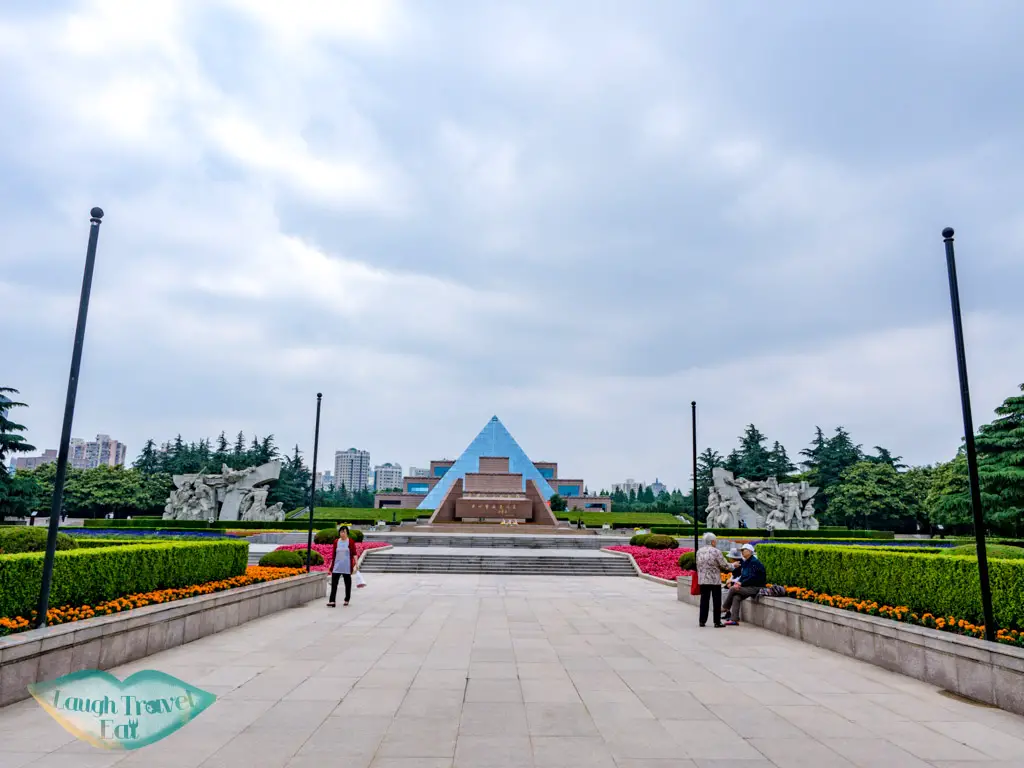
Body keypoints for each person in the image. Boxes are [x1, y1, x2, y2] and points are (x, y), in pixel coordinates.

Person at [722, 543, 767, 626]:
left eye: (743, 550)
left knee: (733, 589)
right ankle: (734, 620)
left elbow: (753, 577)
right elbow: (743, 576)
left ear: (750, 551)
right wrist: (738, 582)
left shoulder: (755, 562)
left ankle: (725, 607)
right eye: (741, 550)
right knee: (736, 597)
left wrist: (741, 583)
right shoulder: (746, 562)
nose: (742, 552)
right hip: (748, 586)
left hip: (756, 587)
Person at [695, 532, 731, 628]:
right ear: (712, 542)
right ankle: (717, 622)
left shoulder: (699, 551)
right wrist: (733, 566)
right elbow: (724, 565)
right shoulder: (716, 551)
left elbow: (698, 564)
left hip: (703, 579)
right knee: (716, 601)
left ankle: (702, 621)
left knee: (704, 600)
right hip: (714, 580)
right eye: (715, 541)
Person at [327, 525, 358, 608]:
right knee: (334, 584)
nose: (342, 533)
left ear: (347, 533)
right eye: (341, 532)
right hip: (337, 565)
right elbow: (334, 554)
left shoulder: (350, 542)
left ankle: (347, 599)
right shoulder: (336, 541)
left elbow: (354, 553)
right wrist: (330, 565)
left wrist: (356, 564)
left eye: (344, 532)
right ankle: (332, 601)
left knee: (347, 584)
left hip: (346, 567)